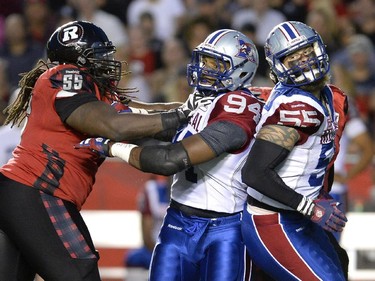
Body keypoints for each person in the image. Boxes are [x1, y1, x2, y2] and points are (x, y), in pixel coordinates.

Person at [0, 20, 189, 281]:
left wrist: (200, 109)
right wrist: (179, 117)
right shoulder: (66, 75)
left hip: (24, 194)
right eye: (99, 55)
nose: (108, 61)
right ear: (76, 58)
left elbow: (148, 111)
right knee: (82, 274)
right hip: (36, 191)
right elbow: (113, 125)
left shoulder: (97, 91)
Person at [78, 29, 262, 281]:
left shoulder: (239, 107)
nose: (203, 68)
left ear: (241, 69)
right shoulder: (206, 100)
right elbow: (165, 119)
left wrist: (110, 146)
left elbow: (169, 160)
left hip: (225, 228)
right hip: (178, 219)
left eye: (214, 64)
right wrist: (114, 108)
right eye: (203, 60)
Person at [240, 21, 348, 280]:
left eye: (307, 53)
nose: (304, 62)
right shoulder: (299, 109)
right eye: (293, 58)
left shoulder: (328, 96)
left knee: (340, 262)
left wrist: (317, 196)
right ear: (279, 66)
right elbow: (254, 173)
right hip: (275, 219)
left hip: (298, 215)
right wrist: (311, 207)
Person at [124, 174, 170, 269]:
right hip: (154, 249)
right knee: (135, 259)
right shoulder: (153, 191)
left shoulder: (196, 198)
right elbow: (147, 238)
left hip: (182, 251)